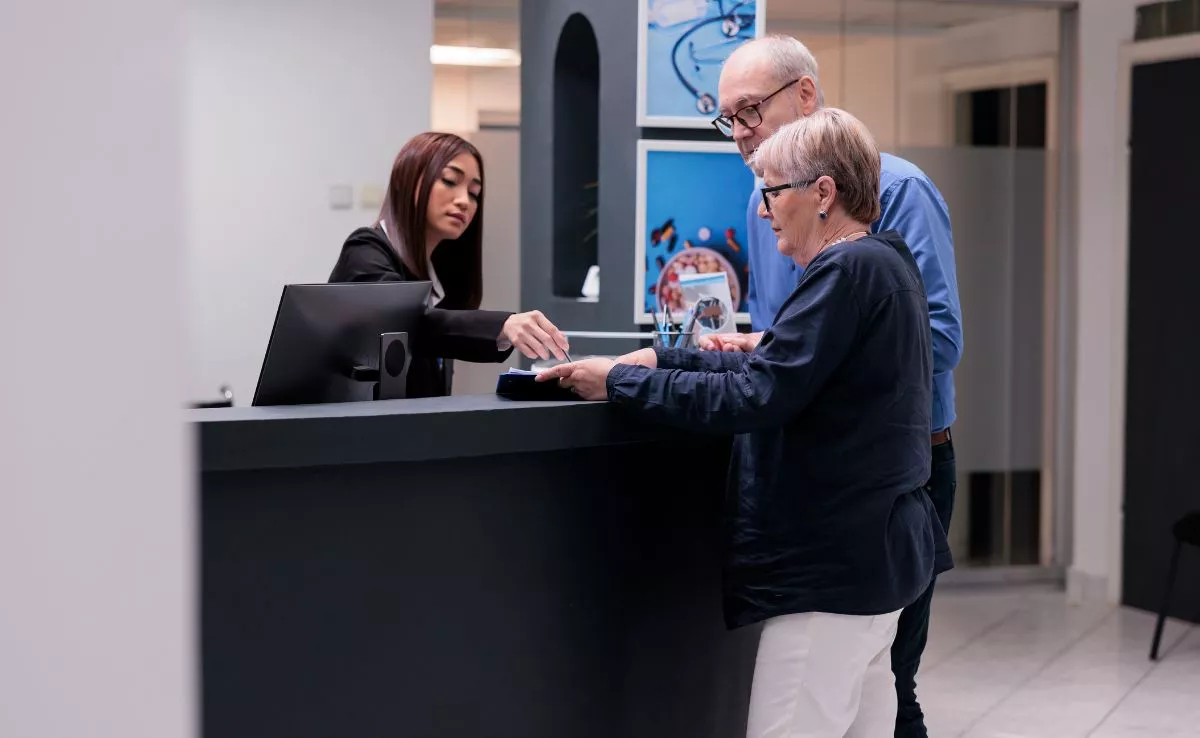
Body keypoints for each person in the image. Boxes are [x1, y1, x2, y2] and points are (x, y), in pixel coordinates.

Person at [537, 109, 952, 738]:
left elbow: (757, 397)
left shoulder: (844, 272)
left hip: (832, 575)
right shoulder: (885, 261)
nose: (761, 211)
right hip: (876, 566)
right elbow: (794, 364)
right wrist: (668, 356)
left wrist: (617, 380)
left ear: (823, 193)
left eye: (772, 192)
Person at [703, 35, 964, 738]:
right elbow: (781, 338)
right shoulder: (763, 199)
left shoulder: (896, 189)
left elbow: (935, 339)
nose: (740, 130)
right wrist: (764, 348)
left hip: (889, 475)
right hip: (810, 476)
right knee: (851, 703)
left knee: (888, 685)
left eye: (750, 109)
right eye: (727, 118)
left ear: (806, 95)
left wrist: (799, 352)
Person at [328, 131, 570, 398]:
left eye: (474, 193)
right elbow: (403, 322)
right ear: (408, 180)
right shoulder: (365, 249)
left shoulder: (438, 279)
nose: (464, 201)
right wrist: (503, 325)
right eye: (450, 181)